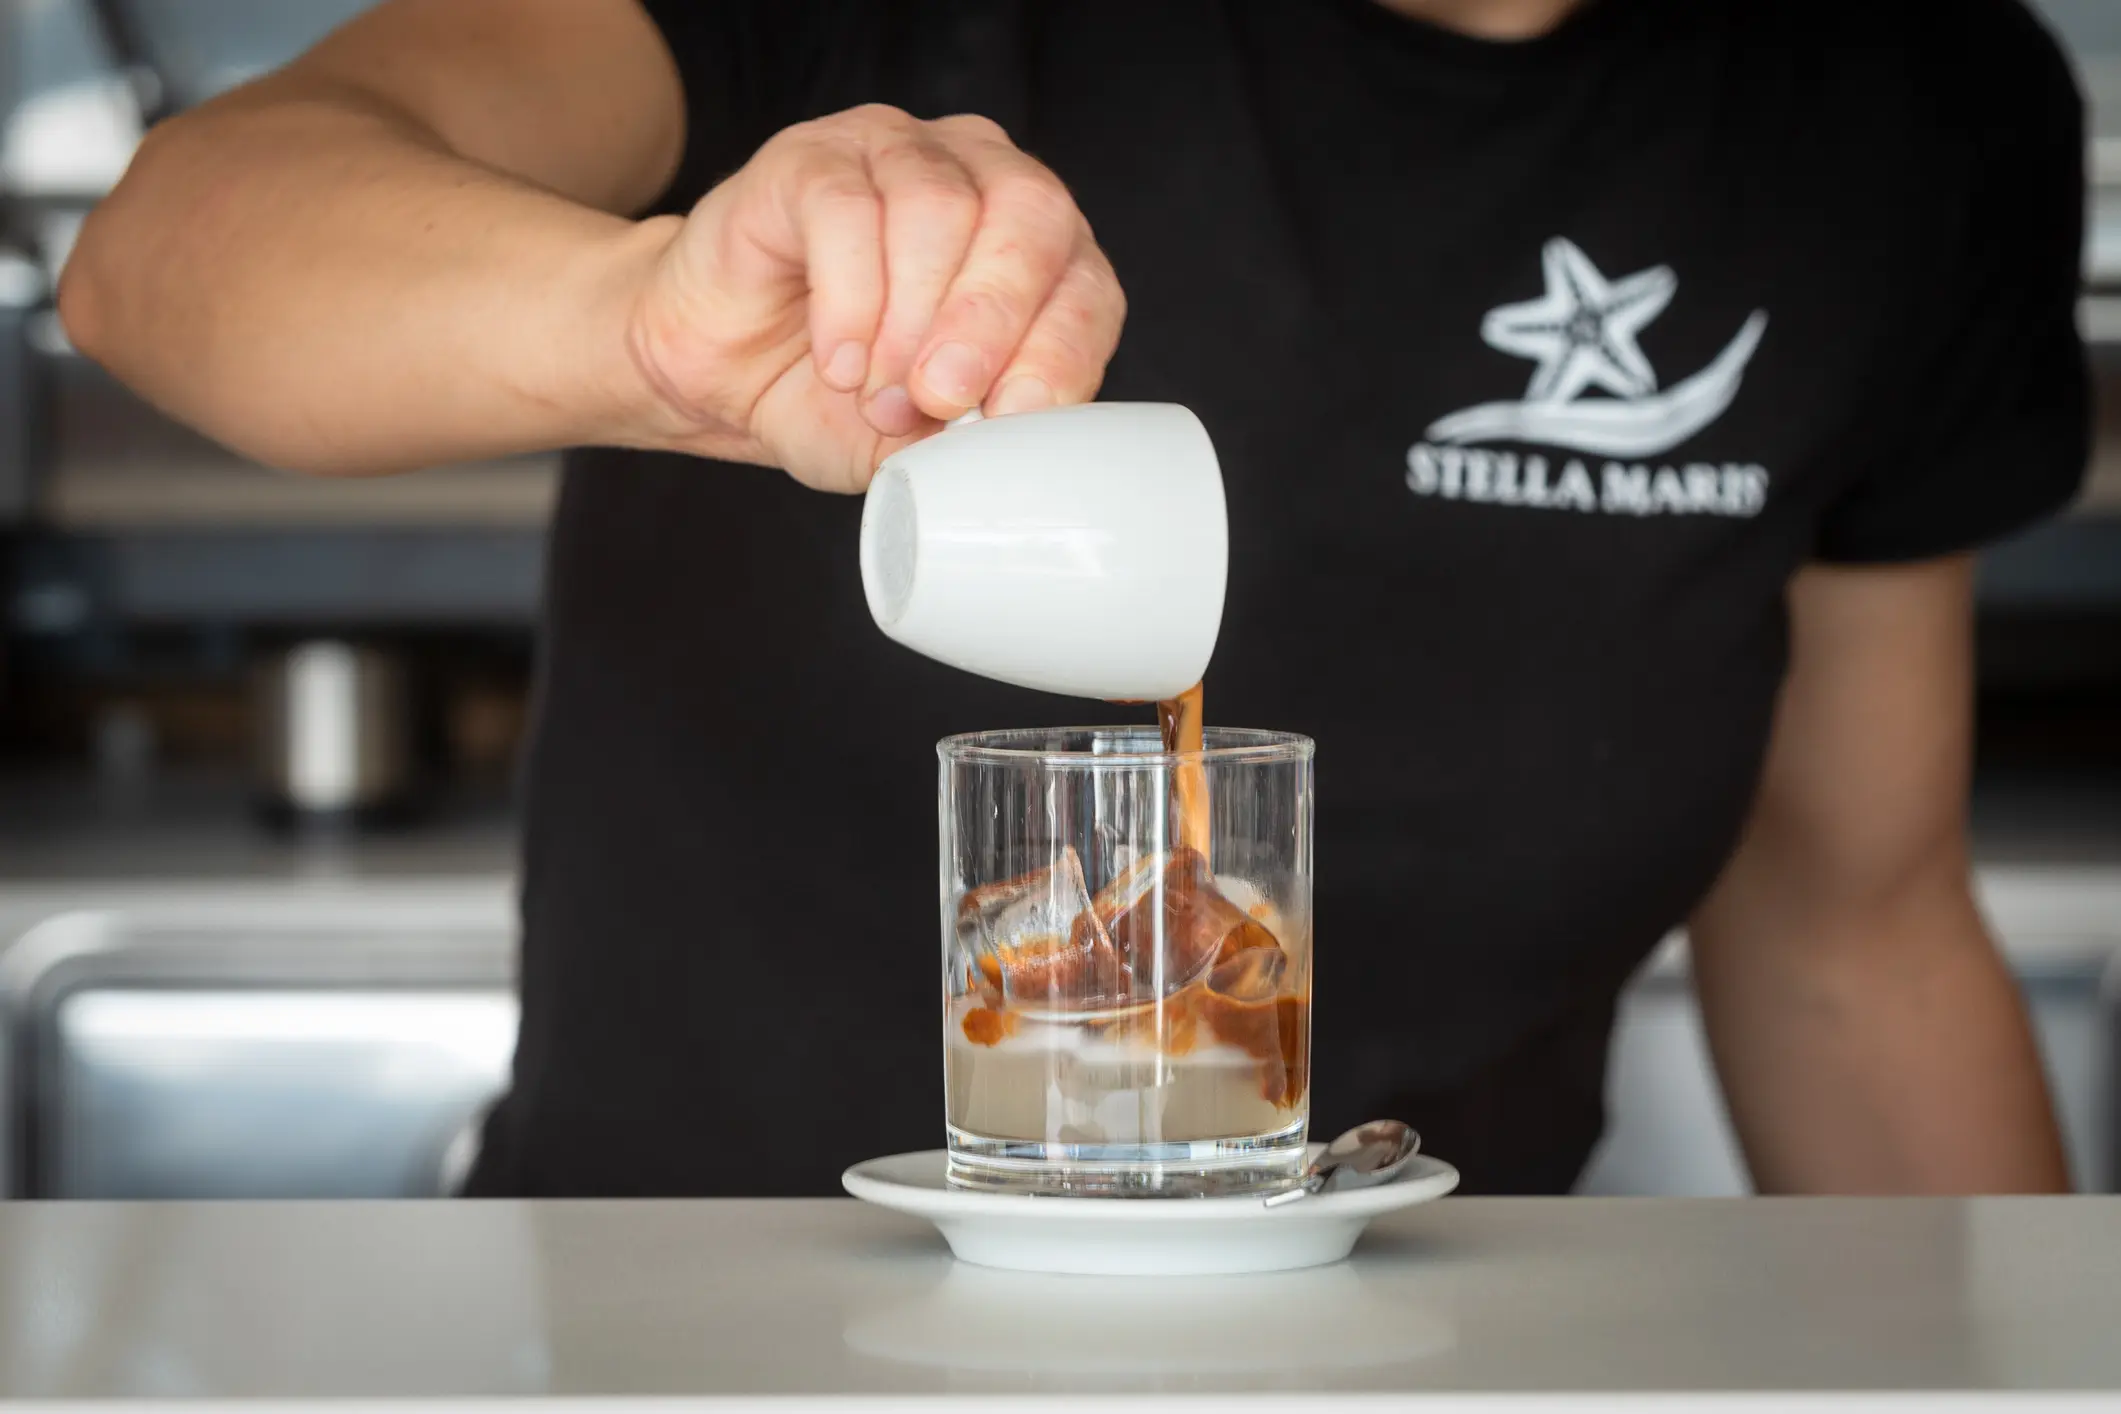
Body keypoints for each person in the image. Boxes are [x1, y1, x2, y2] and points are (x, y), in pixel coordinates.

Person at [59, 0, 2088, 1196]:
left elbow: (1849, 923)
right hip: (679, 1337)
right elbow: (167, 248)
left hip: (1412, 1352)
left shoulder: (1917, 102)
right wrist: (648, 330)